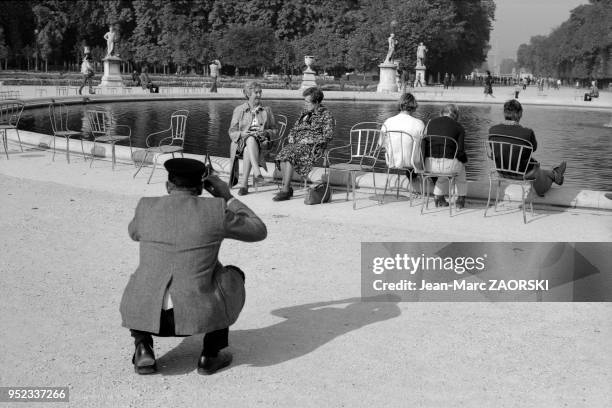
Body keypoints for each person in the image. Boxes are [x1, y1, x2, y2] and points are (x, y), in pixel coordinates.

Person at [120, 158, 267, 376]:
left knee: (147, 279)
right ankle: (211, 354)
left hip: (143, 314)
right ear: (200, 188)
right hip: (196, 315)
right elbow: (258, 230)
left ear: (168, 186)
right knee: (233, 274)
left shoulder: (146, 206)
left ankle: (143, 347)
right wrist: (226, 196)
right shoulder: (215, 210)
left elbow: (134, 233)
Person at [488, 99, 566, 197]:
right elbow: (534, 148)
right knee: (535, 168)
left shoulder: (492, 130)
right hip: (522, 173)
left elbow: (494, 153)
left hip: (501, 171)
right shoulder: (527, 133)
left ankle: (554, 173)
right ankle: (555, 175)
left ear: (504, 113)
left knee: (535, 167)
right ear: (520, 113)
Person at [273, 87, 334, 201]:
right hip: (297, 145)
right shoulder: (304, 113)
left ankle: (285, 190)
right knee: (282, 155)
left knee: (290, 155)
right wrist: (291, 136)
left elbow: (328, 136)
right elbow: (295, 128)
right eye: (304, 101)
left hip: (312, 148)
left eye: (307, 102)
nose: (305, 104)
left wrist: (309, 140)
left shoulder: (326, 115)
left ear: (316, 102)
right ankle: (288, 188)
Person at [228, 81, 278, 195]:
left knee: (249, 146)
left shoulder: (266, 110)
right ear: (248, 94)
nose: (259, 95)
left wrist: (265, 132)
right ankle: (256, 172)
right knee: (249, 140)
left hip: (262, 142)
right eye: (256, 92)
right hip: (242, 142)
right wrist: (242, 133)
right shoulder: (239, 110)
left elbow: (275, 130)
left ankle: (244, 184)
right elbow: (232, 131)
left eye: (260, 92)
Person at [423, 104, 468, 209]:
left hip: (429, 164)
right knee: (461, 168)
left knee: (444, 169)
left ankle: (438, 196)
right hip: (447, 165)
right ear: (456, 116)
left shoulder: (430, 123)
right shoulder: (459, 127)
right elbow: (460, 152)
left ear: (441, 113)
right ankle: (461, 199)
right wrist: (465, 161)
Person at [380, 92, 425, 178]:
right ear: (414, 106)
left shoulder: (388, 121)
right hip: (412, 162)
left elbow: (381, 143)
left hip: (392, 160)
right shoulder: (419, 123)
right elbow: (422, 145)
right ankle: (416, 179)